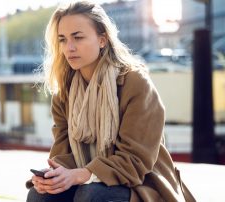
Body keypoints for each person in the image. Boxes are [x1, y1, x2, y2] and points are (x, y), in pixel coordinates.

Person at [26, 1, 196, 202]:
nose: (69, 48)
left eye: (78, 37)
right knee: (40, 195)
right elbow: (63, 153)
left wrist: (82, 174)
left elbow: (135, 161)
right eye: (62, 40)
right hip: (90, 181)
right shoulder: (65, 92)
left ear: (102, 40)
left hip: (140, 184)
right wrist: (53, 176)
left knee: (92, 195)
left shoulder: (135, 83)